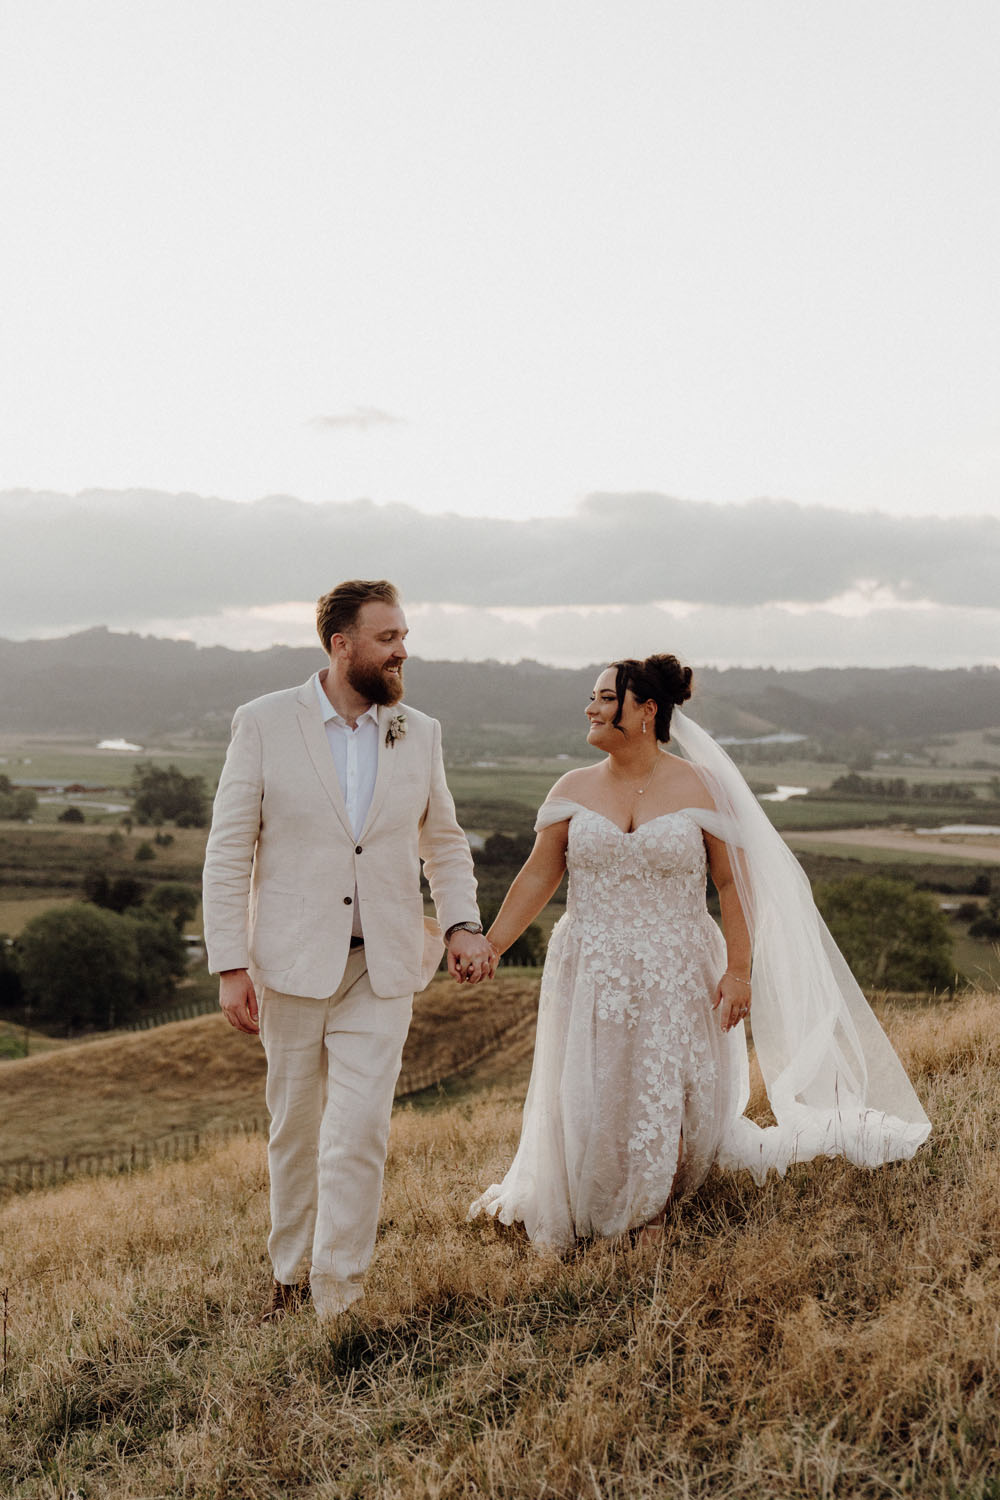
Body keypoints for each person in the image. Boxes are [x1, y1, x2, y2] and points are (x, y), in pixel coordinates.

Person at [469, 654, 931, 1251]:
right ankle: (593, 1195)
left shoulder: (699, 786)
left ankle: (649, 1210)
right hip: (591, 967)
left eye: (606, 698)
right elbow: (538, 876)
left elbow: (733, 884)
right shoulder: (572, 788)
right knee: (592, 1088)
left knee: (667, 1085)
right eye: (593, 696)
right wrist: (493, 944)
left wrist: (739, 972)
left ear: (646, 711)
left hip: (678, 965)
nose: (590, 707)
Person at [203, 579, 493, 1321]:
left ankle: (340, 1295)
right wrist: (230, 964)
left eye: (403, 636)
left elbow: (445, 841)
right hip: (292, 965)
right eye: (389, 637)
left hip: (386, 964)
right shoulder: (265, 723)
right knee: (296, 1128)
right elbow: (230, 849)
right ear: (342, 645)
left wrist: (461, 923)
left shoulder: (418, 731)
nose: (403, 650)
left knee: (360, 1129)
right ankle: (290, 1278)